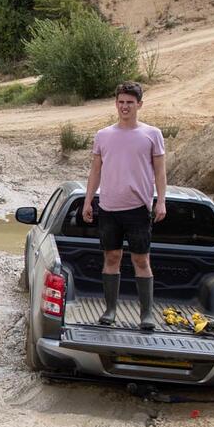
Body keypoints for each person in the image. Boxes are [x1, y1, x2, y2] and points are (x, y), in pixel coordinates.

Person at [82, 81, 167, 331]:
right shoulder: (103, 135)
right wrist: (88, 200)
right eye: (121, 102)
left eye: (130, 102)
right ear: (116, 103)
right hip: (108, 207)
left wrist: (161, 200)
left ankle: (146, 315)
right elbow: (95, 170)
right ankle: (110, 310)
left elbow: (160, 172)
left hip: (139, 209)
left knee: (141, 260)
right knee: (112, 256)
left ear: (139, 104)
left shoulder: (152, 134)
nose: (125, 106)